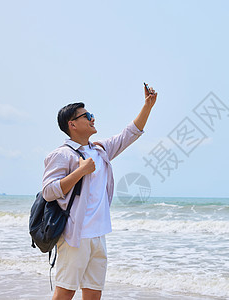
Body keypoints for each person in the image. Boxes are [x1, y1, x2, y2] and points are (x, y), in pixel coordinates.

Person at [42, 85, 157, 300]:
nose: (93, 119)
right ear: (72, 124)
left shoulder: (100, 150)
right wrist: (80, 172)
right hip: (75, 236)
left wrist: (147, 107)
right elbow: (49, 191)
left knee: (94, 294)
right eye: (87, 116)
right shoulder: (62, 155)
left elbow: (129, 134)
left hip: (98, 235)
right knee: (65, 293)